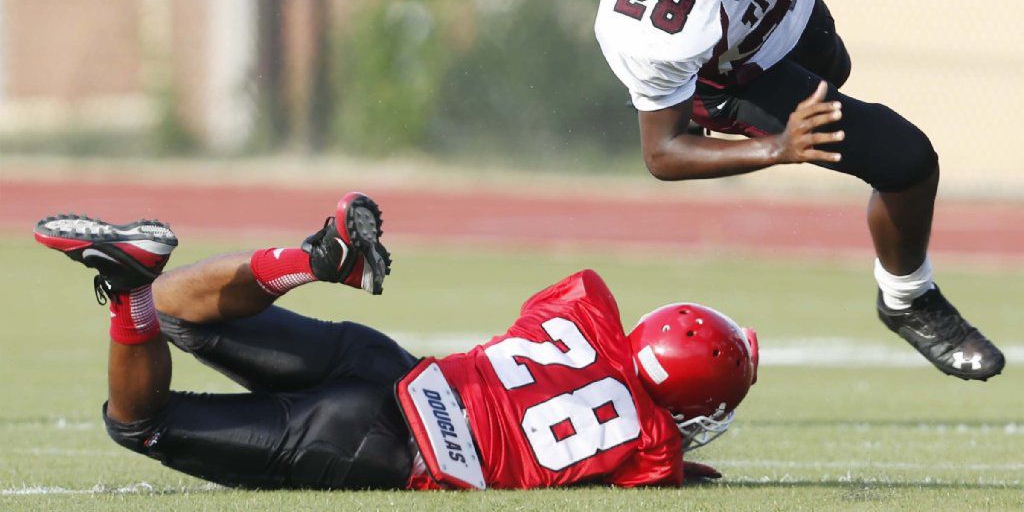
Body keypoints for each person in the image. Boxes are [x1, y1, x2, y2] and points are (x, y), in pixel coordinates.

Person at [594, 0, 1004, 381]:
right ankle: (909, 297)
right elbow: (662, 152)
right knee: (907, 160)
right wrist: (777, 148)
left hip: (790, 16)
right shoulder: (656, 21)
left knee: (835, 67)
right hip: (733, 75)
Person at [33, 193, 758, 491]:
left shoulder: (586, 307)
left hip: (390, 366)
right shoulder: (655, 448)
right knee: (141, 423)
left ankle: (311, 261)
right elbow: (649, 455)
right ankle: (126, 292)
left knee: (178, 309)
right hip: (384, 443)